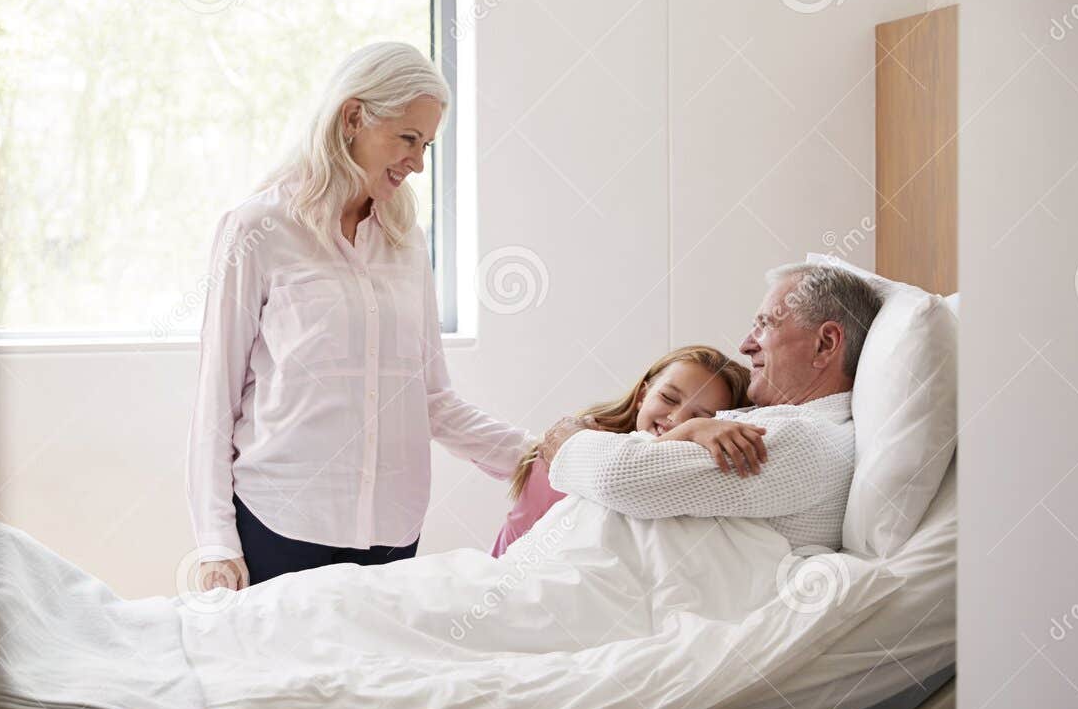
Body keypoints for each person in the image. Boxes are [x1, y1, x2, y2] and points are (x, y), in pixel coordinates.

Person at [187, 42, 549, 589]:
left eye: (426, 144)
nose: (418, 162)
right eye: (407, 138)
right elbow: (216, 399)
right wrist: (216, 543)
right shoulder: (257, 229)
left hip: (392, 535)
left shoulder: (405, 243)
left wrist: (543, 457)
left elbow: (431, 400)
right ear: (353, 117)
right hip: (279, 525)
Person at [537, 262, 883, 550]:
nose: (746, 346)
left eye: (764, 326)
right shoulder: (780, 425)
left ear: (825, 344)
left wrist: (567, 437)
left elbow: (618, 476)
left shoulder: (802, 440)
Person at [492, 345, 750, 556]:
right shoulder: (584, 446)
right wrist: (690, 430)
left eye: (700, 417)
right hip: (511, 577)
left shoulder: (691, 478)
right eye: (668, 399)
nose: (675, 418)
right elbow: (627, 478)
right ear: (642, 395)